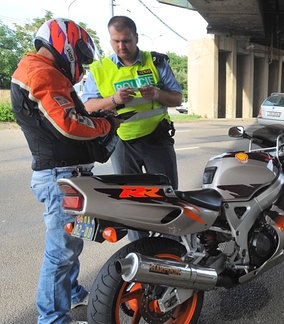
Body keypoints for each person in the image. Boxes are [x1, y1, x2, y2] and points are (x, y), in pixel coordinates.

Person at [10, 18, 121, 323]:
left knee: (73, 240)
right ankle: (52, 318)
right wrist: (106, 124)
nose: (83, 69)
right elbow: (68, 123)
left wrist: (101, 118)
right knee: (60, 253)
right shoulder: (40, 72)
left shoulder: (42, 71)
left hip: (69, 175)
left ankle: (70, 292)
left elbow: (62, 116)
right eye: (82, 59)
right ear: (66, 43)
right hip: (62, 178)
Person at [82, 16, 182, 239]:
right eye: (115, 41)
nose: (121, 46)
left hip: (157, 138)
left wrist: (157, 94)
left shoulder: (155, 62)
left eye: (126, 40)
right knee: (130, 202)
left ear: (136, 38)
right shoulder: (99, 69)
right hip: (121, 142)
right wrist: (114, 99)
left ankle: (173, 248)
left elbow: (177, 98)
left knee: (168, 198)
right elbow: (87, 106)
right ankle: (140, 250)